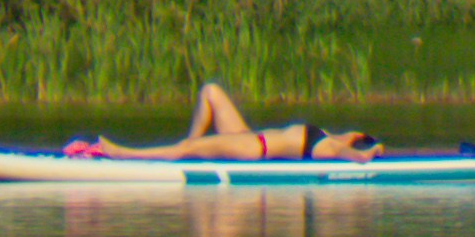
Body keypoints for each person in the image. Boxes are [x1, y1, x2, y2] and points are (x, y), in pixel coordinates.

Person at [68, 83, 376, 161]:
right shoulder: (332, 136)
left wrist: (366, 155)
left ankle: (119, 152)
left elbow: (350, 154)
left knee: (188, 147)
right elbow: (353, 138)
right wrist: (366, 140)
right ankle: (189, 148)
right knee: (211, 91)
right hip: (248, 136)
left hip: (254, 148)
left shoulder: (328, 149)